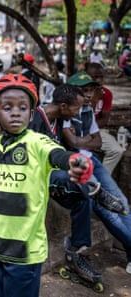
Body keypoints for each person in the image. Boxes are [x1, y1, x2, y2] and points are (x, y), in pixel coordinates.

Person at [0, 73, 91, 297]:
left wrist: (74, 162)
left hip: (24, 251)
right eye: (7, 107)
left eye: (22, 108)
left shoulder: (36, 141)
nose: (15, 112)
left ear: (31, 114)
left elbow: (57, 155)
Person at [29, 83, 127, 283]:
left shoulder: (59, 120)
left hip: (58, 178)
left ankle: (77, 252)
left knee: (83, 200)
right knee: (73, 180)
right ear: (63, 106)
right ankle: (97, 192)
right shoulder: (35, 119)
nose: (78, 112)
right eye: (76, 108)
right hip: (38, 176)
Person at [65, 71, 131, 274]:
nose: (87, 95)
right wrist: (83, 141)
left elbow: (97, 141)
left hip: (91, 159)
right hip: (78, 163)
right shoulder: (67, 112)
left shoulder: (87, 111)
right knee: (105, 208)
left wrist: (81, 141)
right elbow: (72, 143)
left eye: (90, 90)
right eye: (83, 90)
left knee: (121, 203)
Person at [85, 62, 126, 173]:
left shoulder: (106, 93)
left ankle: (102, 181)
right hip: (77, 130)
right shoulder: (80, 91)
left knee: (116, 150)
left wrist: (92, 130)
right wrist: (94, 100)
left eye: (101, 77)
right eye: (95, 77)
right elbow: (82, 119)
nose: (99, 80)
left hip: (95, 130)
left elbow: (104, 119)